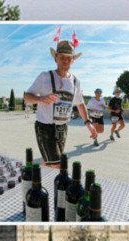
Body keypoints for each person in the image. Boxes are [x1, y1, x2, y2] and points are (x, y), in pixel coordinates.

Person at [23, 39, 98, 169]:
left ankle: (37, 178)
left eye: (69, 57)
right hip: (45, 127)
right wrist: (41, 99)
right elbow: (27, 97)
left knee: (49, 163)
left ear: (73, 60)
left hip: (63, 128)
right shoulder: (45, 76)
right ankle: (57, 186)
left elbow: (80, 104)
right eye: (62, 57)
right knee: (58, 164)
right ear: (55, 58)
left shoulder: (75, 82)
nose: (65, 60)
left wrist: (89, 123)